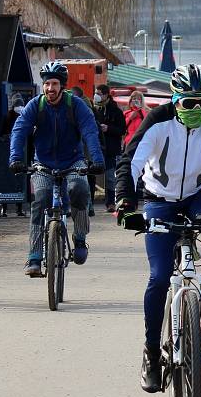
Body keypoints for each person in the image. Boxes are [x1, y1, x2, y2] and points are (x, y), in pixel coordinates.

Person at [115, 63, 201, 394]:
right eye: (187, 103)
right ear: (174, 99)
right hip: (159, 198)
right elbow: (130, 162)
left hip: (200, 194)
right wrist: (125, 204)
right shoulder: (157, 121)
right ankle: (151, 353)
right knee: (159, 277)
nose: (196, 110)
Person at [9, 61, 105, 276]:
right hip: (43, 163)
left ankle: (80, 238)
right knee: (40, 200)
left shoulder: (76, 105)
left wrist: (97, 161)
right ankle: (34, 257)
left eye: (54, 84)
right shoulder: (36, 105)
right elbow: (19, 131)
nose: (50, 88)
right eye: (46, 84)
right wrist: (15, 158)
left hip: (73, 161)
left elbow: (90, 132)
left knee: (79, 191)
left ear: (62, 85)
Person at [94, 84, 126, 212]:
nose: (97, 95)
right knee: (91, 176)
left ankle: (110, 203)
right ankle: (89, 204)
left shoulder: (116, 111)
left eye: (99, 93)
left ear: (106, 95)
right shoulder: (95, 110)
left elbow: (122, 129)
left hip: (111, 149)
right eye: (96, 93)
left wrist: (109, 128)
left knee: (110, 177)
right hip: (96, 148)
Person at [71, 86, 99, 217]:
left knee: (83, 180)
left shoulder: (83, 110)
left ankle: (87, 207)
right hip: (84, 151)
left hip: (83, 151)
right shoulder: (87, 107)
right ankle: (88, 206)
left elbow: (88, 132)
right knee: (85, 180)